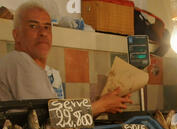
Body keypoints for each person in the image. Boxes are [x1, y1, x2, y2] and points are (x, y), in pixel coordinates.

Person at [0, 2, 132, 117]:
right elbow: (52, 118)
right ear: (16, 35)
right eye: (33, 26)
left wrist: (103, 105)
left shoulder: (34, 68)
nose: (43, 32)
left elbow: (55, 119)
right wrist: (102, 105)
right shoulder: (19, 61)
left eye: (47, 27)